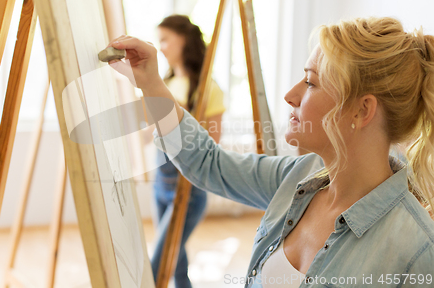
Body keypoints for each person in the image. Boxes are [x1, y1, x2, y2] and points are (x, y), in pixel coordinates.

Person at [107, 16, 434, 288]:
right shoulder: (298, 176)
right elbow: (209, 163)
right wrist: (151, 84)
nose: (290, 96)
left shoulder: (416, 250)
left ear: (362, 111)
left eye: (311, 83)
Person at [150, 15, 226, 288]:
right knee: (177, 264)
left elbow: (212, 142)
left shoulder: (209, 89)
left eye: (165, 40)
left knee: (156, 264)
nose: (161, 48)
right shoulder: (166, 83)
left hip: (189, 188)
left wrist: (180, 118)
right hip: (160, 183)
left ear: (185, 41)